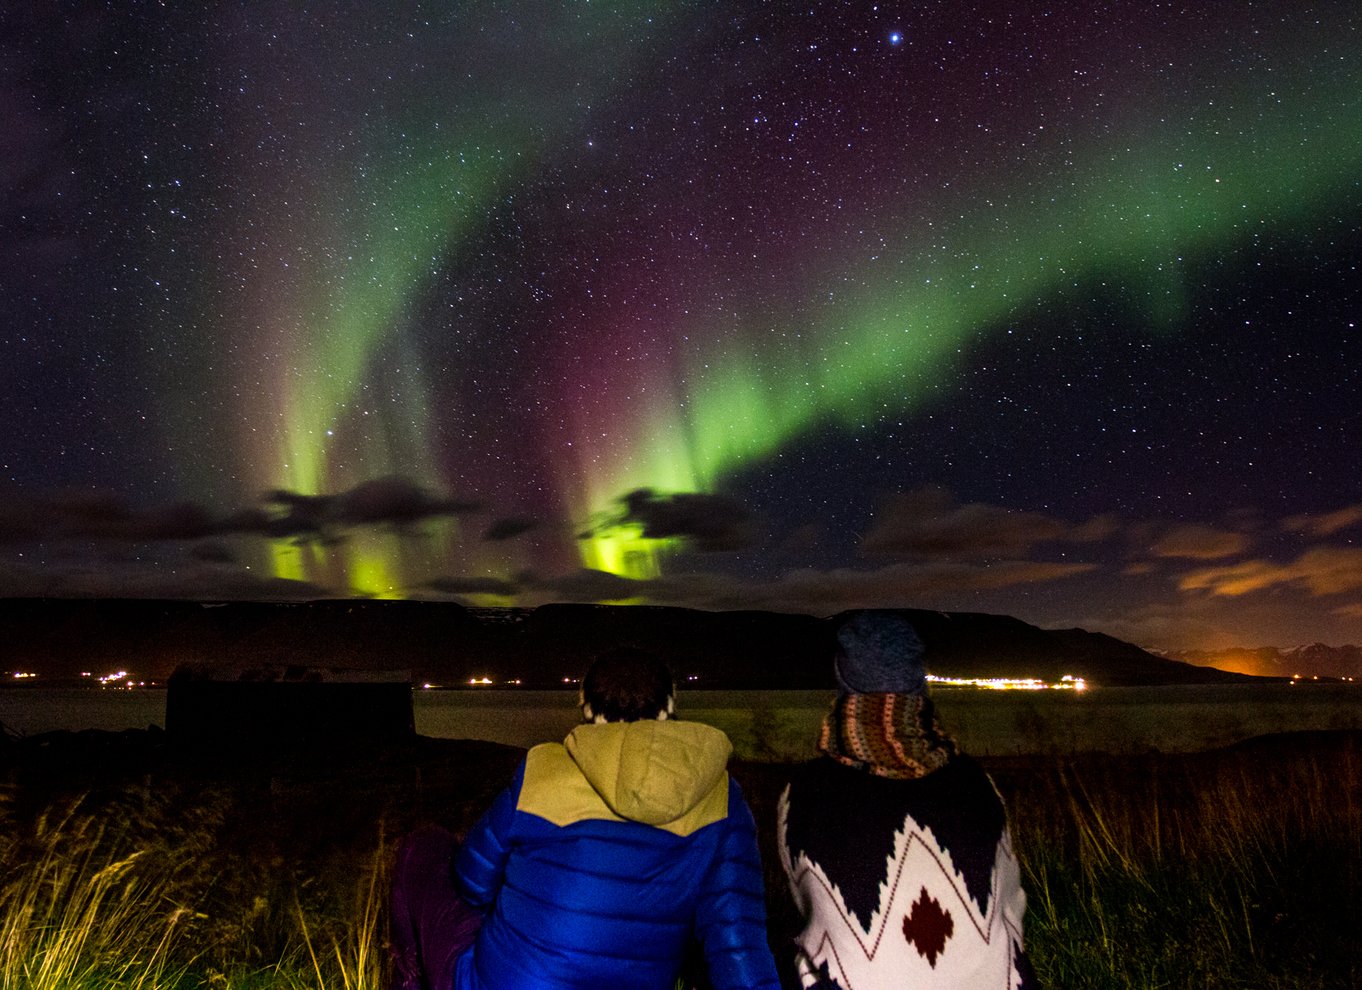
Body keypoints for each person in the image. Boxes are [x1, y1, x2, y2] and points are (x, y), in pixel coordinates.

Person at [390, 647, 781, 990]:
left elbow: (472, 884)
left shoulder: (542, 770)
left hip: (501, 981)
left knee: (424, 846)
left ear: (586, 705)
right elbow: (738, 944)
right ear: (669, 705)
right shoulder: (721, 796)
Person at [777, 611, 1038, 989]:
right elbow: (1013, 910)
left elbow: (808, 908)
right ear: (920, 683)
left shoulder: (802, 791)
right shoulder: (976, 781)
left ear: (842, 679)